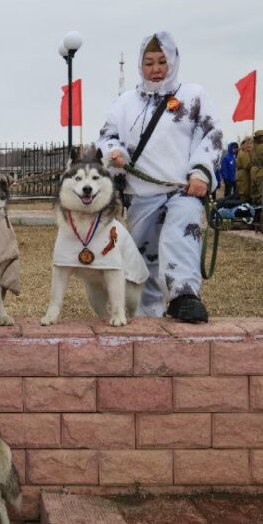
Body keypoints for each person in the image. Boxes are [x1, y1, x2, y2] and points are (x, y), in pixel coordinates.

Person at [97, 31, 223, 323]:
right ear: (140, 65)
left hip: (183, 189)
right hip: (141, 193)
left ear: (173, 62)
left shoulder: (193, 96)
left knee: (181, 232)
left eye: (162, 62)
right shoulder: (124, 103)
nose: (156, 69)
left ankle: (184, 295)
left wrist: (201, 171)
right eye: (149, 62)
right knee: (142, 257)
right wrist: (114, 153)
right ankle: (146, 312)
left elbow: (211, 134)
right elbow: (106, 135)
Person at [249, 129, 263, 205]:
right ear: (262, 138)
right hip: (261, 171)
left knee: (254, 194)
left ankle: (254, 209)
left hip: (253, 171)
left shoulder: (253, 147)